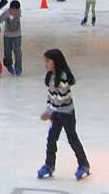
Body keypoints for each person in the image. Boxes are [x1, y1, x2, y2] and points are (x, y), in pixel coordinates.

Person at [37, 49, 90, 181]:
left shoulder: (63, 77)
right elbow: (51, 96)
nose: (46, 64)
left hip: (66, 114)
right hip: (56, 113)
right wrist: (49, 108)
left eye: (48, 61)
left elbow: (61, 98)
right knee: (51, 139)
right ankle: (49, 165)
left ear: (56, 62)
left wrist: (49, 112)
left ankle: (84, 164)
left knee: (72, 139)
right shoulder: (51, 77)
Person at [2, 0, 22, 76]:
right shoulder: (6, 13)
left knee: (18, 52)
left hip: (17, 35)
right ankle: (8, 64)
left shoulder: (19, 12)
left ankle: (18, 68)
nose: (15, 12)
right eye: (13, 10)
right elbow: (0, 20)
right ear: (10, 9)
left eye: (16, 10)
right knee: (7, 52)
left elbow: (17, 16)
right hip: (7, 36)